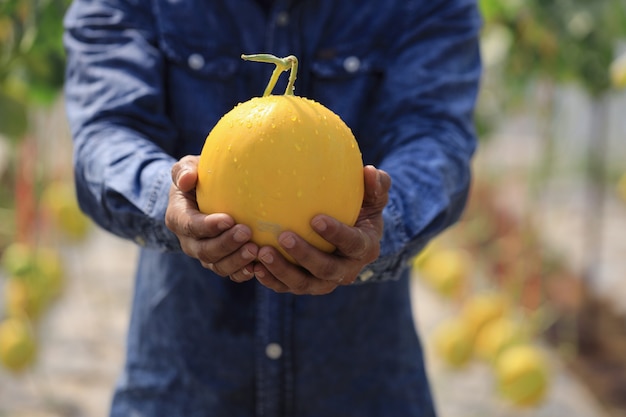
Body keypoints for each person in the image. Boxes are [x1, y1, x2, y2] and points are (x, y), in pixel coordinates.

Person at [63, 0, 482, 416]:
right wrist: (167, 195)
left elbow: (436, 137)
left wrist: (386, 220)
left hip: (365, 391)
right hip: (181, 389)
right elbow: (107, 132)